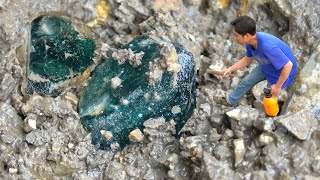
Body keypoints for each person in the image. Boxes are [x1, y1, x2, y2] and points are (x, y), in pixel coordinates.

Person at [218, 15, 297, 107]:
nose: (234, 38)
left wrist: (277, 86)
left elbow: (288, 65)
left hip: (281, 74)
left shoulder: (268, 47)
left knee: (266, 100)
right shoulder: (250, 42)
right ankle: (230, 102)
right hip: (266, 66)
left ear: (247, 35)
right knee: (246, 82)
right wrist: (229, 69)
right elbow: (247, 60)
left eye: (236, 35)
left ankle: (269, 117)